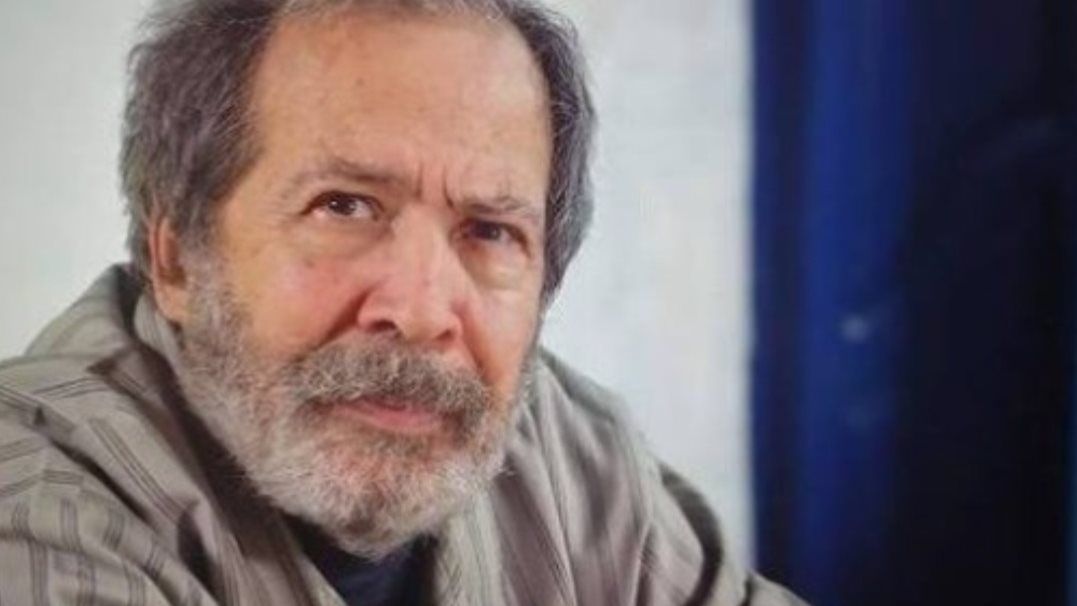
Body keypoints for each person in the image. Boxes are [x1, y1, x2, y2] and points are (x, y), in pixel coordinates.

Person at [0, 0, 804, 604]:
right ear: (175, 258)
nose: (421, 313)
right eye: (343, 207)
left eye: (489, 230)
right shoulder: (38, 503)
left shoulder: (574, 458)